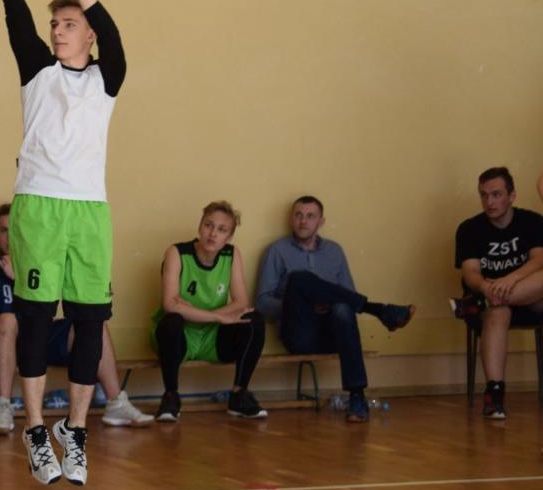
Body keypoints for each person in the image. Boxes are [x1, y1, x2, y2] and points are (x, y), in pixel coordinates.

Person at [0, 0, 124, 487]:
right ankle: (35, 430)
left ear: (89, 34)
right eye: (56, 24)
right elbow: (16, 17)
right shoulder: (37, 71)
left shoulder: (106, 79)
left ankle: (74, 430)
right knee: (34, 319)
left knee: (90, 323)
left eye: (70, 24)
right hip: (39, 207)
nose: (58, 31)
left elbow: (116, 36)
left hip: (90, 212)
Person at [0, 203, 152, 435]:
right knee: (8, 320)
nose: (10, 237)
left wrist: (20, 277)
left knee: (92, 323)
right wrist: (17, 282)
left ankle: (115, 402)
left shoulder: (45, 262)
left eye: (14, 230)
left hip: (42, 336)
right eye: (4, 230)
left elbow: (56, 308)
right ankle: (3, 406)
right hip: (7, 343)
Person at [256, 196, 415, 423]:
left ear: (321, 221)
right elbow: (262, 303)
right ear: (291, 219)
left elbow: (348, 297)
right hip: (299, 333)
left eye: (310, 216)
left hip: (333, 334)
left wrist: (327, 303)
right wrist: (300, 303)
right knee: (299, 279)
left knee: (342, 308)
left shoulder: (334, 251)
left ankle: (357, 397)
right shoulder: (277, 251)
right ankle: (379, 310)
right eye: (298, 215)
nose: (303, 221)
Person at [153, 201, 267, 423]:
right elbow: (170, 305)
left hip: (213, 337)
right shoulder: (177, 252)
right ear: (200, 226)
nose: (213, 233)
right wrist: (217, 316)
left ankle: (239, 395)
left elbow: (241, 301)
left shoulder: (232, 255)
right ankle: (171, 397)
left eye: (222, 229)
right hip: (182, 335)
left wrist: (192, 311)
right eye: (208, 225)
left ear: (229, 237)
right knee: (171, 321)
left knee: (253, 319)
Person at [454, 167, 543, 419]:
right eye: (484, 195)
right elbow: (470, 273)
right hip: (492, 301)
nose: (489, 202)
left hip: (529, 295)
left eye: (496, 194)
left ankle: (478, 303)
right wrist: (486, 288)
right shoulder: (469, 228)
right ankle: (494, 394)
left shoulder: (532, 221)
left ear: (511, 196)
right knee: (498, 311)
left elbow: (539, 260)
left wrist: (509, 280)